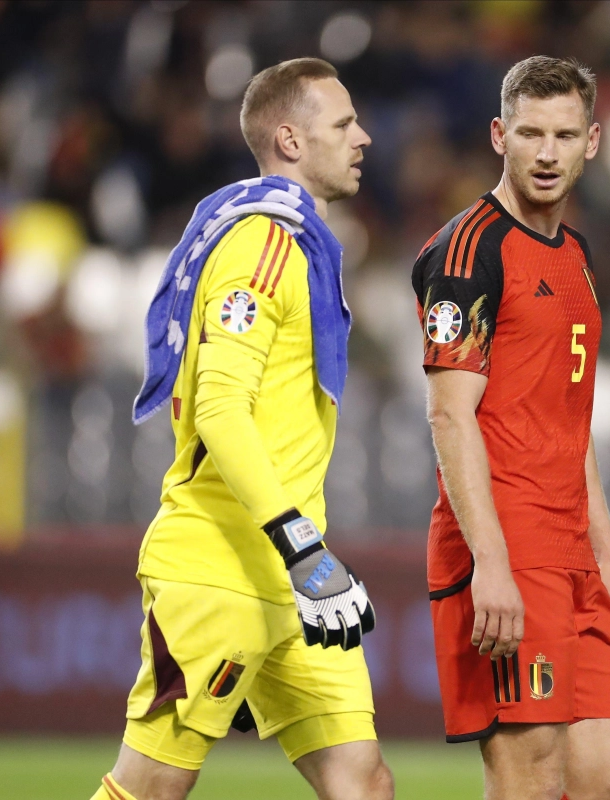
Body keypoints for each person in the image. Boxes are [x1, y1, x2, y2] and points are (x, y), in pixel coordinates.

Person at [91, 58, 391, 800]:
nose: (365, 137)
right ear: (290, 138)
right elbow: (220, 409)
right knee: (153, 787)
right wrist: (302, 548)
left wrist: (306, 557)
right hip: (224, 566)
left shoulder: (299, 243)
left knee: (364, 783)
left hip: (294, 579)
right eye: (344, 124)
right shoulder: (260, 245)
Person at [412, 56, 610, 800]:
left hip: (572, 548)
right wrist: (491, 563)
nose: (547, 153)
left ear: (592, 142)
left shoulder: (577, 254)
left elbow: (572, 414)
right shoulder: (469, 251)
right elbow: (449, 413)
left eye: (565, 135)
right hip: (507, 541)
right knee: (529, 776)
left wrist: (604, 548)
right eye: (531, 134)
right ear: (499, 135)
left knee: (605, 778)